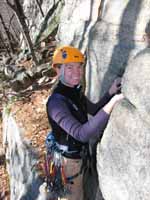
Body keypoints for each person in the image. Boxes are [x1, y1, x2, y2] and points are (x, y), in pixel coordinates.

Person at [46, 45, 124, 200]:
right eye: (69, 68)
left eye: (79, 67)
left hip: (78, 156)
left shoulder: (74, 91)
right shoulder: (56, 103)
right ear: (58, 70)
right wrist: (114, 102)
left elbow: (94, 110)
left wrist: (111, 92)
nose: (77, 72)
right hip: (68, 164)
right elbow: (81, 134)